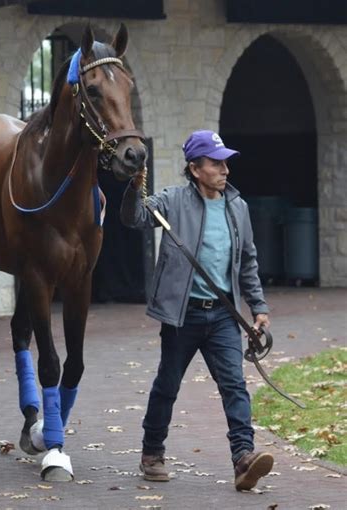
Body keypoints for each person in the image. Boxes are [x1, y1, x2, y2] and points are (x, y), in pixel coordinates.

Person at [120, 130, 274, 491]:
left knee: (234, 385)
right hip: (182, 314)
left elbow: (248, 261)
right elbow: (134, 219)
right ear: (194, 168)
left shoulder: (238, 207)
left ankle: (243, 459)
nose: (225, 170)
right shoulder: (172, 200)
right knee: (167, 386)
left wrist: (258, 307)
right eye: (216, 163)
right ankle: (152, 453)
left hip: (222, 315)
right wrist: (133, 188)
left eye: (225, 162)